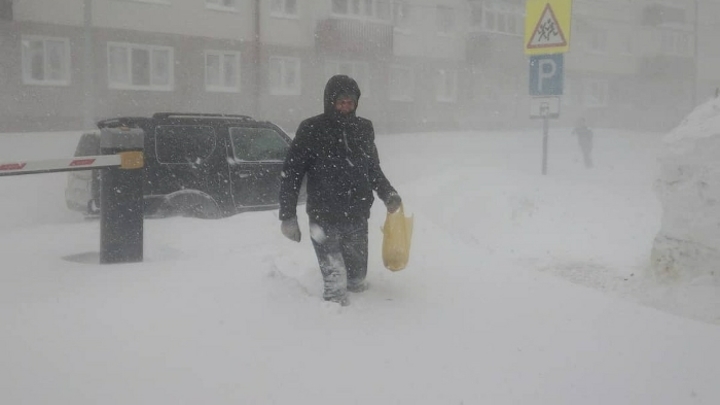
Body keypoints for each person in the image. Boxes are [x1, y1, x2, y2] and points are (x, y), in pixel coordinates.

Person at [278, 75, 402, 306]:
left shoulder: (363, 129)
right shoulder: (311, 129)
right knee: (336, 285)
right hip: (323, 218)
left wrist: (388, 194)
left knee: (357, 280)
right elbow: (292, 173)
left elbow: (372, 168)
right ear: (330, 102)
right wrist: (287, 216)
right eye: (341, 102)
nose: (346, 107)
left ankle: (364, 321)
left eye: (350, 102)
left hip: (356, 215)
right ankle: (336, 329)